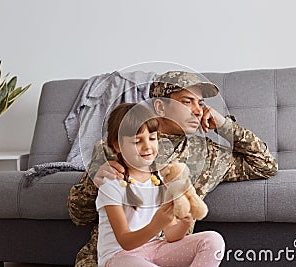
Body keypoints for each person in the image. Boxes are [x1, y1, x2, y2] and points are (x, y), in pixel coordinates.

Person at [68, 71, 278, 266]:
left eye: (201, 103)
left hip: (170, 254)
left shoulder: (209, 155)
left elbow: (266, 165)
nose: (198, 110)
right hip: (114, 259)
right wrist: (93, 181)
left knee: (212, 242)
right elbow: (79, 216)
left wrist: (224, 125)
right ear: (160, 107)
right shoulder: (115, 147)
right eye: (188, 102)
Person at [95, 102, 224, 266]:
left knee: (213, 240)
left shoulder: (160, 181)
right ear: (117, 145)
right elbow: (125, 241)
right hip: (120, 257)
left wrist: (186, 222)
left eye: (152, 138)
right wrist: (156, 225)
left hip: (155, 249)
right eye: (137, 141)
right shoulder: (112, 184)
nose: (147, 146)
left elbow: (170, 235)